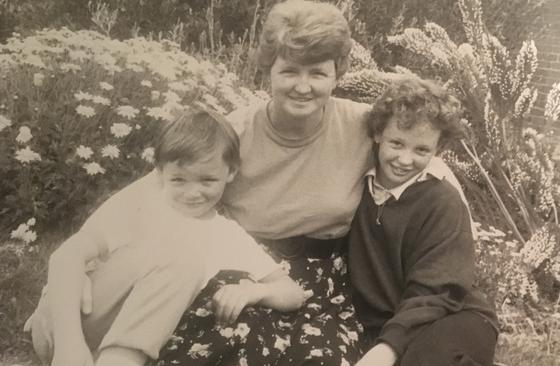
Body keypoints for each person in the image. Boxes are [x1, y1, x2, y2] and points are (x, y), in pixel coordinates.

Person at [154, 2, 473, 366]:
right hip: (246, 271)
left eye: (318, 73)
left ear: (337, 73)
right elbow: (162, 188)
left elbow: (424, 163)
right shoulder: (231, 133)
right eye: (290, 70)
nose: (303, 87)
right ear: (268, 71)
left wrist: (455, 228)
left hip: (325, 285)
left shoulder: (364, 126)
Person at [25, 109, 304, 366]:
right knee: (183, 258)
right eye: (179, 180)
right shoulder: (139, 208)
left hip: (124, 343)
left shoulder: (226, 235)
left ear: (230, 172)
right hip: (66, 326)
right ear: (159, 173)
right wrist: (69, 345)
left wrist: (254, 291)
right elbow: (65, 257)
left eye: (207, 180)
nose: (193, 193)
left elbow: (292, 292)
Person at [348, 78, 498, 366]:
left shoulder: (442, 201)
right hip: (393, 321)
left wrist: (388, 348)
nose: (405, 160)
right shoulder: (356, 185)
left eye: (421, 150)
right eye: (397, 143)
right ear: (378, 133)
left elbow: (438, 291)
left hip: (450, 313)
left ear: (437, 149)